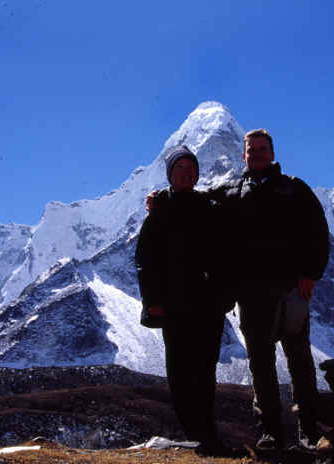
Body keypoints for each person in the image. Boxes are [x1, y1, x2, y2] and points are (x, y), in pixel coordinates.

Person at [148, 129, 330, 450]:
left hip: (291, 289)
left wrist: (310, 274)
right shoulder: (230, 192)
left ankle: (310, 429)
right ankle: (271, 431)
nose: (257, 154)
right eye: (251, 149)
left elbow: (317, 231)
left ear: (272, 153)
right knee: (260, 362)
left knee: (299, 358)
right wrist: (164, 197)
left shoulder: (295, 189)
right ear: (243, 154)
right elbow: (194, 199)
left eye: (262, 149)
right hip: (251, 293)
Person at [134, 146, 228, 455]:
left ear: (198, 174)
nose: (187, 172)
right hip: (173, 306)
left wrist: (224, 297)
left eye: (191, 168)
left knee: (205, 371)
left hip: (208, 305)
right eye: (180, 168)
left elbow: (226, 256)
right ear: (170, 175)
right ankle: (195, 435)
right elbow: (145, 261)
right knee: (179, 373)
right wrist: (152, 302)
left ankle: (207, 436)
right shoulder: (159, 212)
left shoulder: (210, 207)